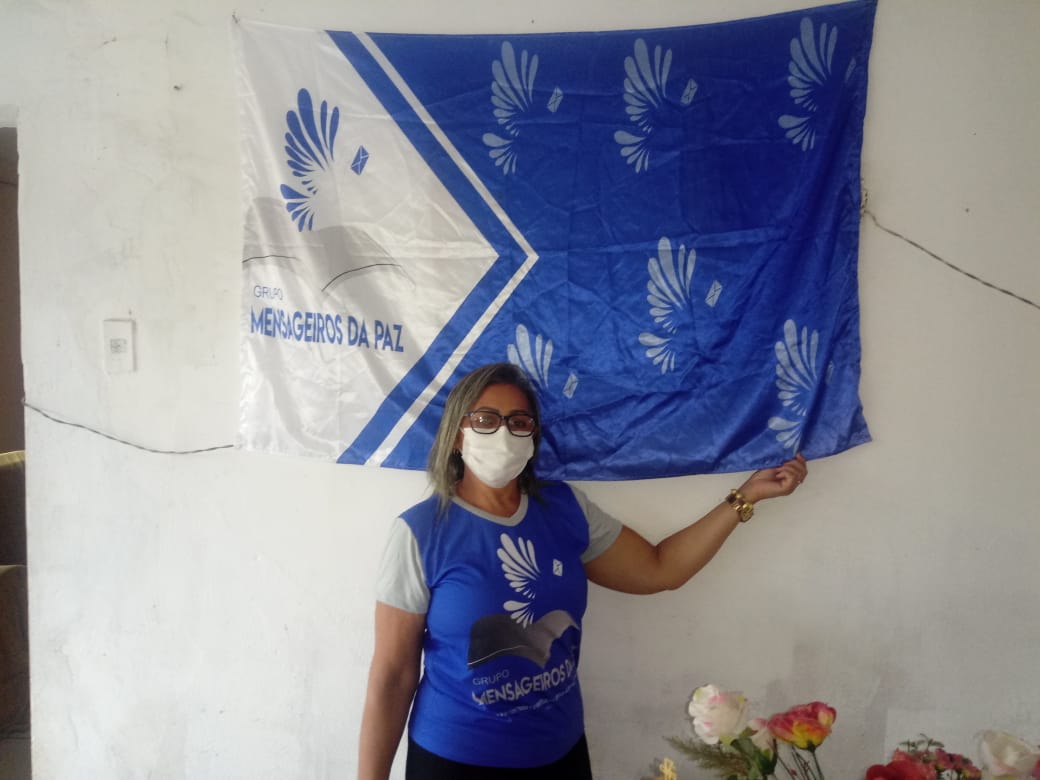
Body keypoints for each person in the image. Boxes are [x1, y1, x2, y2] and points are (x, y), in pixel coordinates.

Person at [359, 362, 808, 780]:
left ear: (533, 436)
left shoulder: (565, 510)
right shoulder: (421, 533)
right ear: (457, 434)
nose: (503, 433)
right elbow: (393, 675)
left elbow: (660, 569)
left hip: (561, 754)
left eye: (519, 421)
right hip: (455, 760)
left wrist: (746, 497)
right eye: (485, 419)